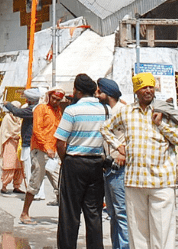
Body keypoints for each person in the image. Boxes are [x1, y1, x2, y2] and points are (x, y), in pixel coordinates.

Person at [101, 72, 178, 249]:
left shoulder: (164, 111)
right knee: (137, 233)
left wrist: (161, 125)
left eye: (150, 87)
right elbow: (105, 128)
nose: (148, 90)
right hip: (135, 181)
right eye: (143, 87)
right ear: (136, 91)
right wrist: (118, 146)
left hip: (161, 182)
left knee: (162, 233)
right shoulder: (127, 112)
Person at [54, 74, 107, 249]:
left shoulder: (72, 111)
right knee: (94, 214)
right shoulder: (104, 110)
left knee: (69, 213)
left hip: (74, 163)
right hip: (96, 164)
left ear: (77, 91)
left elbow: (60, 142)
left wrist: (65, 161)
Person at [19, 87, 65, 224]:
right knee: (35, 182)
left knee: (61, 184)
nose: (55, 101)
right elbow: (37, 130)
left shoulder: (58, 112)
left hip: (53, 153)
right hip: (40, 150)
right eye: (54, 98)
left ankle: (66, 217)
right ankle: (24, 213)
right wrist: (47, 148)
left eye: (58, 100)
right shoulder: (41, 109)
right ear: (49, 97)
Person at [96, 78, 130, 249]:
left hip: (120, 169)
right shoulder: (110, 111)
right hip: (109, 168)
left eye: (99, 91)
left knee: (122, 214)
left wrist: (124, 154)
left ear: (107, 94)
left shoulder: (123, 111)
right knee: (113, 214)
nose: (96, 94)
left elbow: (133, 137)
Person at [0, 101, 24, 193]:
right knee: (9, 165)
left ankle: (17, 186)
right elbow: (5, 132)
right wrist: (13, 136)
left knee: (19, 166)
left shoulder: (19, 118)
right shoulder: (7, 118)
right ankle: (4, 185)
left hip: (19, 143)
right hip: (10, 142)